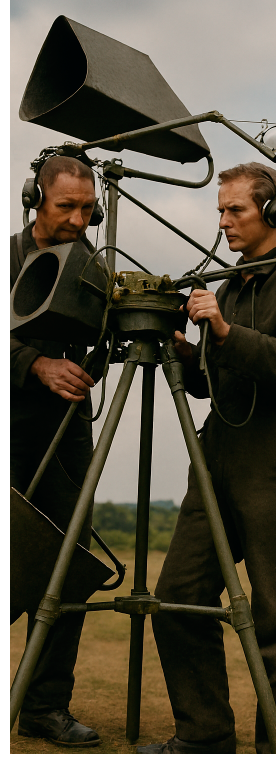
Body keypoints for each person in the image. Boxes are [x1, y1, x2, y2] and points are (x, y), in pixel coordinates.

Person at [138, 162, 276, 754]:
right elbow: (211, 385)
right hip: (217, 461)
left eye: (236, 211)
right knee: (176, 599)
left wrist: (225, 333)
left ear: (273, 213)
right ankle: (205, 737)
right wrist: (180, 346)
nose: (223, 222)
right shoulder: (229, 286)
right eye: (220, 211)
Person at [11, 156, 100, 747]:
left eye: (87, 209)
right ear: (34, 198)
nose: (76, 219)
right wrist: (33, 365)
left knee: (66, 576)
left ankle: (44, 707)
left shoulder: (93, 265)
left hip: (66, 446)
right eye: (65, 206)